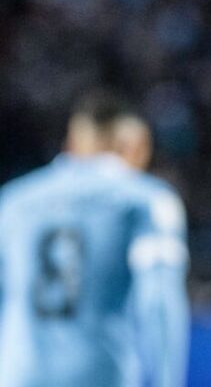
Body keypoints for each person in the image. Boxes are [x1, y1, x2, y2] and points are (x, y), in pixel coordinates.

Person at [0, 92, 190, 387]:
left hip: (17, 374)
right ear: (135, 145)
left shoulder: (13, 200)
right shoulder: (145, 200)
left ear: (72, 141)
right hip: (99, 373)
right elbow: (159, 301)